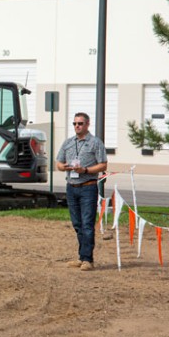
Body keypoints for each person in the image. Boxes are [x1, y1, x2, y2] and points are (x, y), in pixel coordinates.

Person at [56, 112, 108, 271]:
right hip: (71, 187)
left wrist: (84, 169)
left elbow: (103, 165)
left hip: (88, 187)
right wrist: (62, 167)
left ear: (87, 125)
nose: (77, 126)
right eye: (75, 123)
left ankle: (88, 260)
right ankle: (81, 257)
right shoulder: (68, 143)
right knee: (77, 224)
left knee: (87, 224)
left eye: (80, 123)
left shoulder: (95, 142)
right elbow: (58, 162)